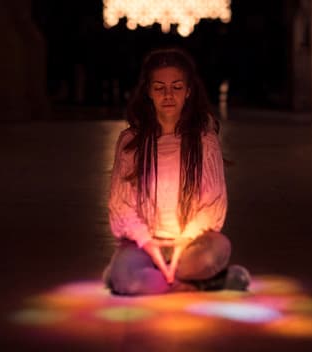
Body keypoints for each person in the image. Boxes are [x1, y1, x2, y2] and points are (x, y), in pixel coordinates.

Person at [102, 47, 250, 295]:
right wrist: (149, 245)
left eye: (177, 87)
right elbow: (121, 206)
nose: (168, 95)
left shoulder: (205, 142)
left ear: (188, 91)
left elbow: (213, 205)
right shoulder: (130, 142)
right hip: (144, 244)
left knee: (218, 249)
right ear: (148, 91)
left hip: (191, 246)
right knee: (130, 280)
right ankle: (198, 282)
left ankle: (155, 278)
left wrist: (183, 242)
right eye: (159, 87)